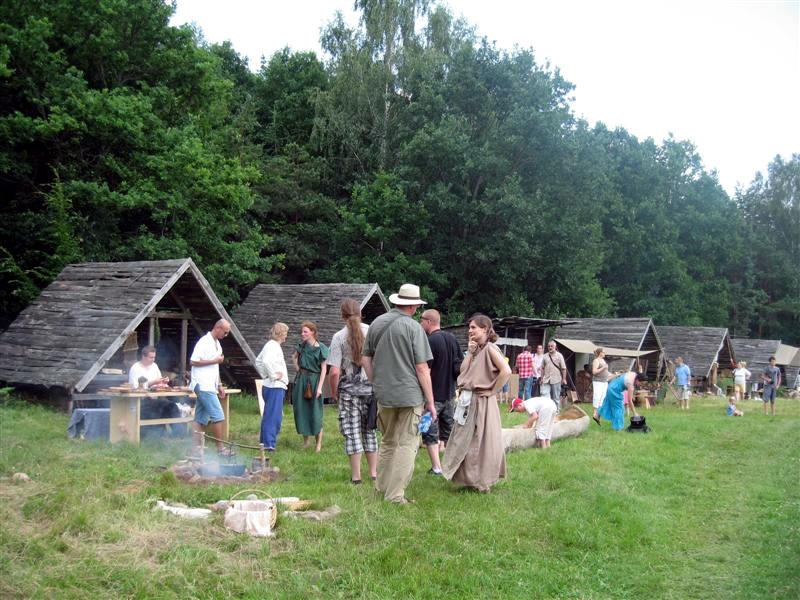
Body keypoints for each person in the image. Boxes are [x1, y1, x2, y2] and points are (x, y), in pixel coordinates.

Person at [362, 283, 436, 504]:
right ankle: (395, 496)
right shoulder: (413, 328)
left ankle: (381, 489)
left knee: (387, 442)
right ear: (413, 306)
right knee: (406, 444)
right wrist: (431, 402)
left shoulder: (376, 323)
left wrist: (376, 382)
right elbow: (422, 368)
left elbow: (365, 359)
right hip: (410, 396)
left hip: (384, 395)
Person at [442, 314, 511, 492]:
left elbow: (506, 371)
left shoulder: (490, 348)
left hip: (482, 401)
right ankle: (470, 479)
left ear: (485, 329)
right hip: (468, 399)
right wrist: (470, 353)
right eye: (469, 327)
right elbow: (463, 371)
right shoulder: (477, 349)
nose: (470, 331)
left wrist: (492, 390)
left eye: (473, 327)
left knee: (481, 440)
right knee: (466, 439)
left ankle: (482, 481)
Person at [328, 299, 378, 485]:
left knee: (352, 432)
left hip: (349, 392)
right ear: (360, 313)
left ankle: (356, 477)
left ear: (342, 315)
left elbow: (334, 372)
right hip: (371, 390)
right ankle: (374, 473)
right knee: (369, 430)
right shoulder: (372, 331)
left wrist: (334, 393)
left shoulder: (338, 337)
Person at [420, 308, 462, 476]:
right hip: (450, 394)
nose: (420, 323)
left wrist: (425, 397)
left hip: (433, 396)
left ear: (429, 322)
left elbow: (426, 370)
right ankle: (454, 464)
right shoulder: (452, 338)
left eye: (422, 320)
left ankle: (437, 467)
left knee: (429, 430)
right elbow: (460, 365)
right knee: (449, 431)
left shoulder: (429, 341)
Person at [189, 319, 234, 456]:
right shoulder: (204, 342)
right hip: (203, 384)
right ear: (218, 328)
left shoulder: (217, 344)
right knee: (218, 416)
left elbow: (215, 368)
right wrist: (214, 360)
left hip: (210, 385)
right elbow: (193, 361)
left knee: (200, 418)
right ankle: (220, 449)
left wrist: (219, 384)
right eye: (225, 332)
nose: (226, 335)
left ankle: (195, 449)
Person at [292, 321, 329, 452]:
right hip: (302, 381)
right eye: (302, 332)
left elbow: (324, 369)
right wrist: (298, 370)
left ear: (313, 332)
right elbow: (293, 357)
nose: (302, 334)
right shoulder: (302, 346)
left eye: (305, 332)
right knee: (302, 411)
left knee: (315, 412)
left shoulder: (321, 348)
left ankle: (318, 444)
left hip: (315, 381)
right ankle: (306, 442)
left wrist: (319, 388)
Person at [254, 322, 289, 452]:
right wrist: (273, 375)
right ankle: (269, 444)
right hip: (275, 386)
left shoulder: (270, 345)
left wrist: (265, 375)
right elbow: (265, 361)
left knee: (269, 414)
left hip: (271, 385)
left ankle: (264, 442)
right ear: (280, 333)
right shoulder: (273, 346)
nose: (286, 336)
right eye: (285, 333)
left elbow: (258, 361)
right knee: (273, 417)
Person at [540, 341, 567, 412]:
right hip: (546, 379)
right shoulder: (545, 356)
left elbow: (563, 368)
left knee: (556, 397)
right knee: (544, 395)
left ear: (555, 347)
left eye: (551, 346)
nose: (550, 347)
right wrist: (541, 378)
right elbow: (542, 368)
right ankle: (547, 411)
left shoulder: (559, 356)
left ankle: (557, 412)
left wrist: (564, 379)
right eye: (549, 346)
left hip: (556, 379)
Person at [591, 347, 610, 426]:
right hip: (598, 382)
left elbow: (606, 372)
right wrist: (603, 367)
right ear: (600, 353)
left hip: (605, 382)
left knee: (602, 398)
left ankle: (598, 415)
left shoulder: (603, 361)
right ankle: (594, 413)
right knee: (597, 396)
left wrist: (614, 374)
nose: (605, 353)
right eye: (603, 352)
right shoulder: (596, 361)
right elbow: (594, 371)